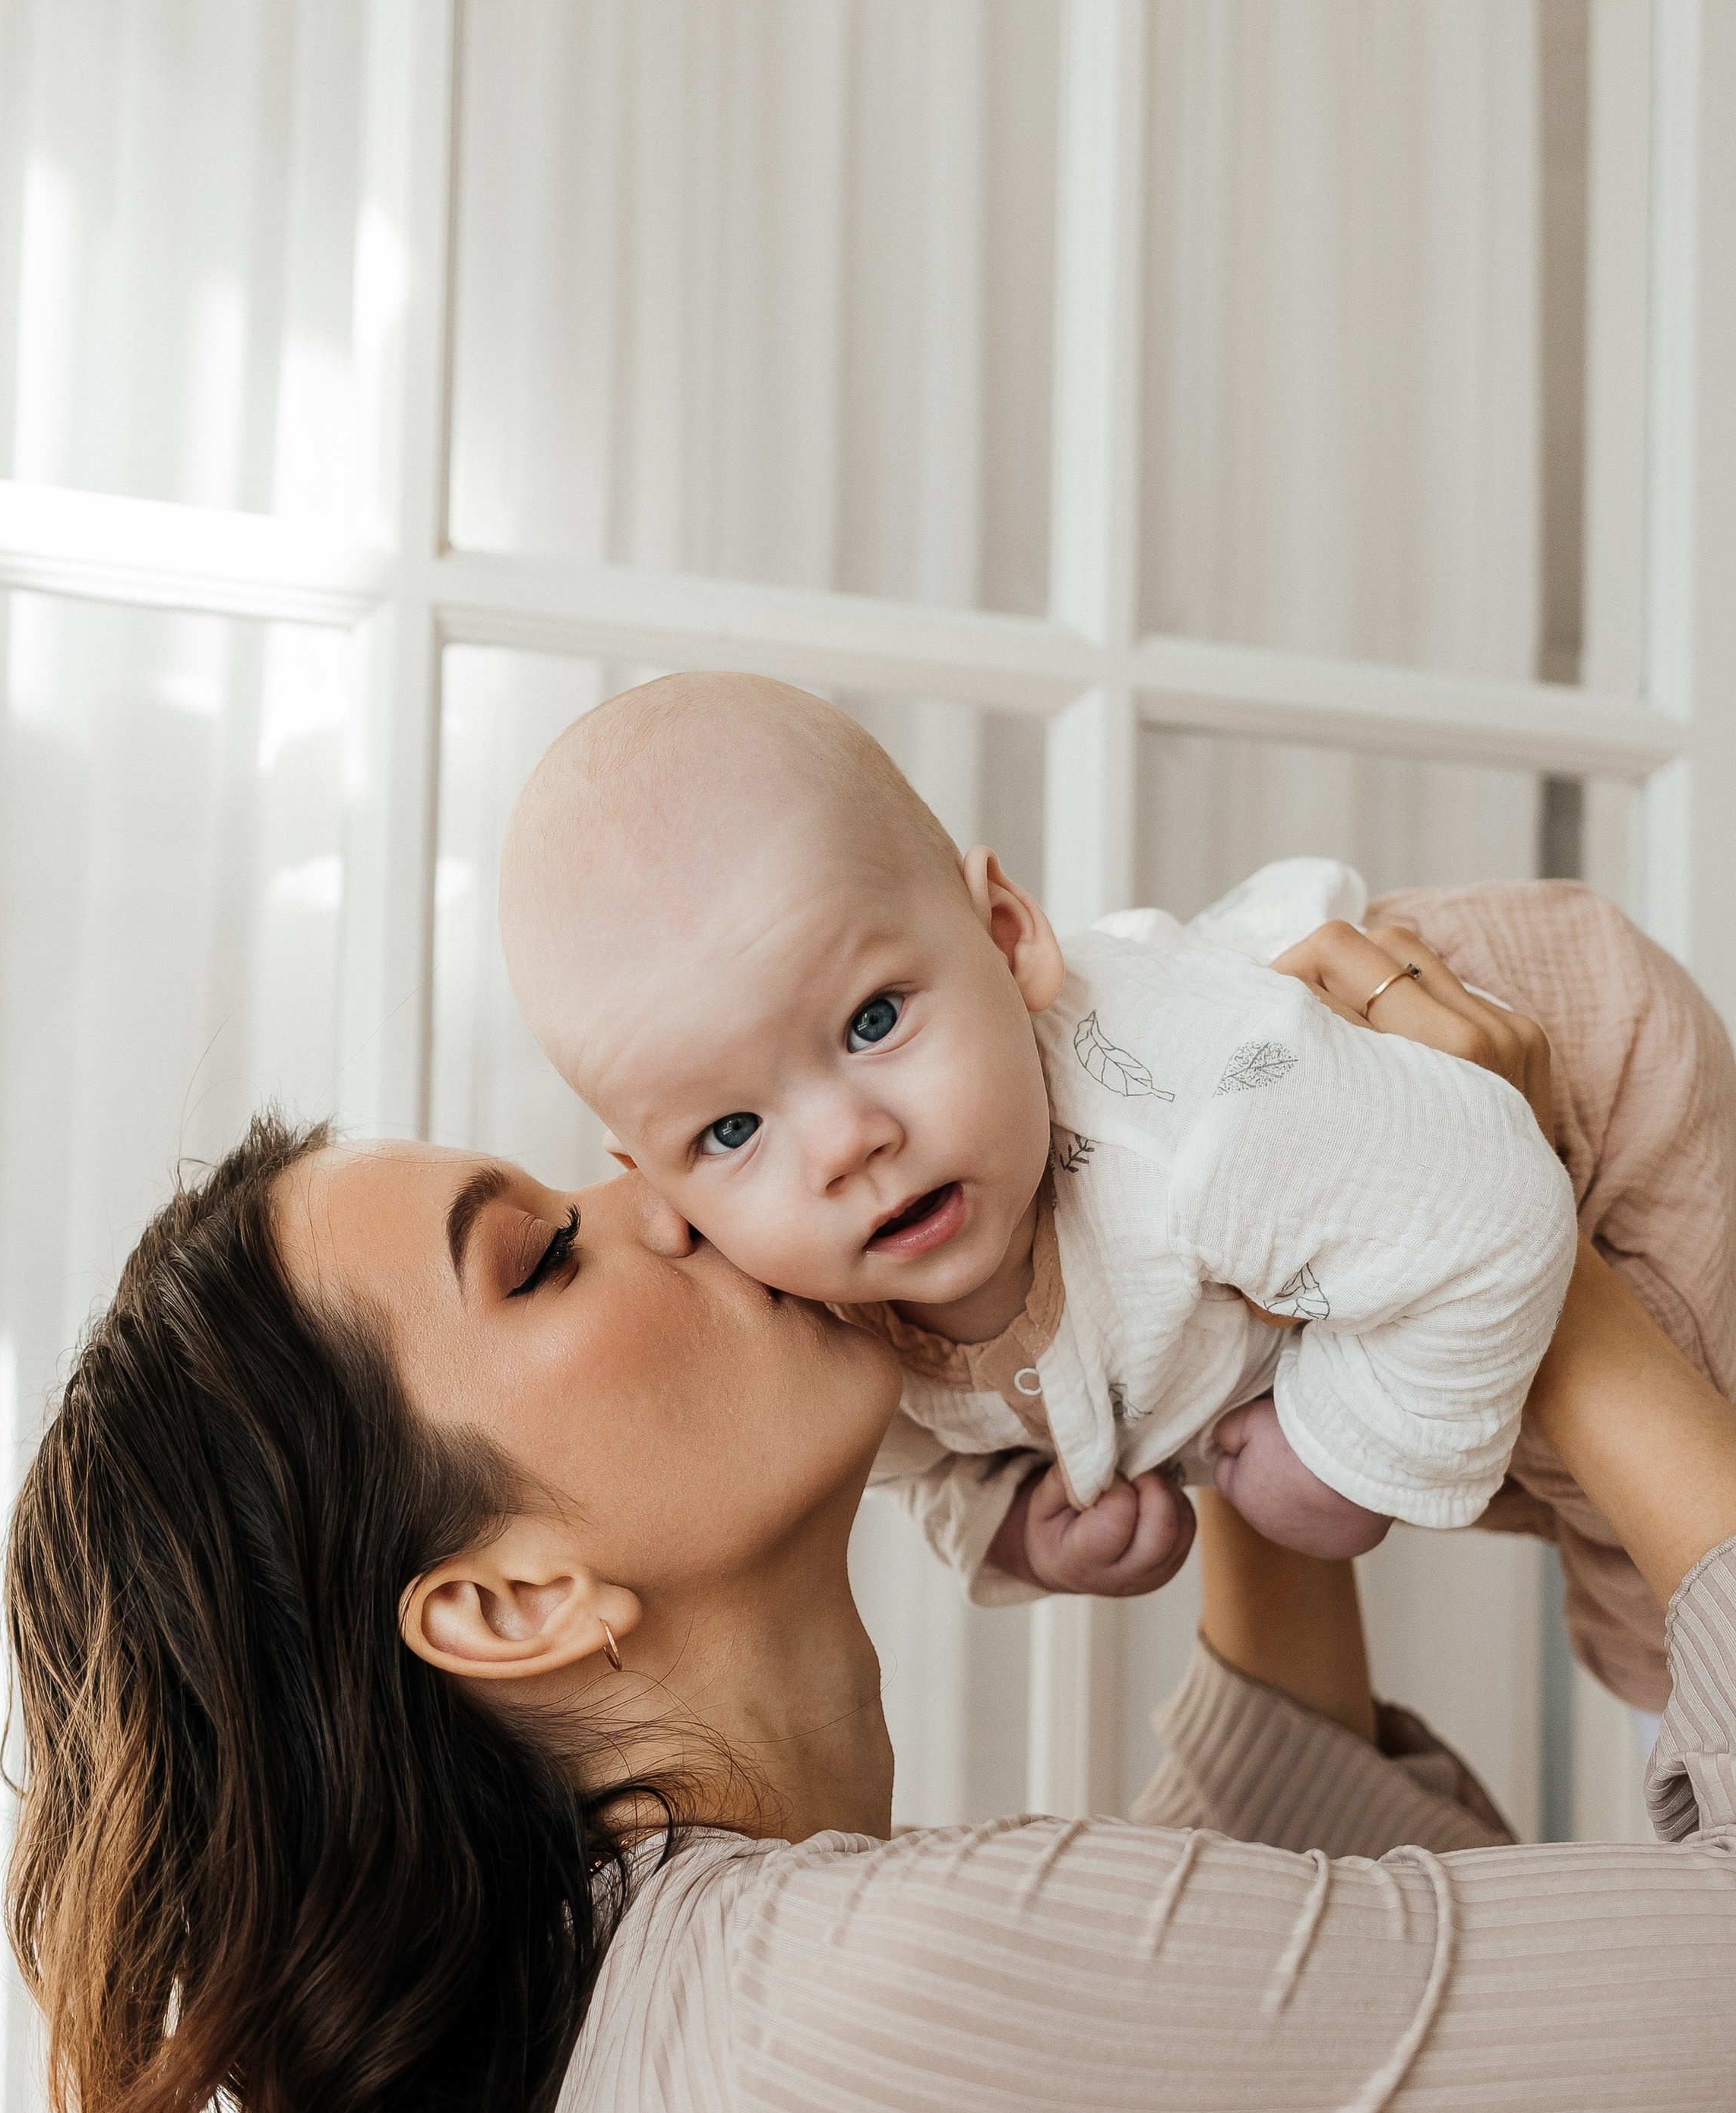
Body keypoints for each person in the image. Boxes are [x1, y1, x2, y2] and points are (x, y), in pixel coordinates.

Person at [5, 962, 1736, 2113]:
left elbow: (1233, 1939)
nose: (662, 1191)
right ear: (507, 1604)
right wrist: (1492, 1227)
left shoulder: (633, 2064)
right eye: (539, 1257)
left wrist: (1225, 1315)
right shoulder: (857, 2028)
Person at [498, 673, 1736, 1704]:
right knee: (1549, 1500)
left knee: (1646, 1593)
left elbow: (1489, 1212)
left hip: (1579, 1100)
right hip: (1370, 1255)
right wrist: (1018, 1533)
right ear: (654, 1184)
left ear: (1006, 937)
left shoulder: (1199, 1125)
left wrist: (1336, 1459)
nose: (846, 1144)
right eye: (729, 1128)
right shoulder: (811, 1329)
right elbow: (922, 1464)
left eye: (873, 1021)